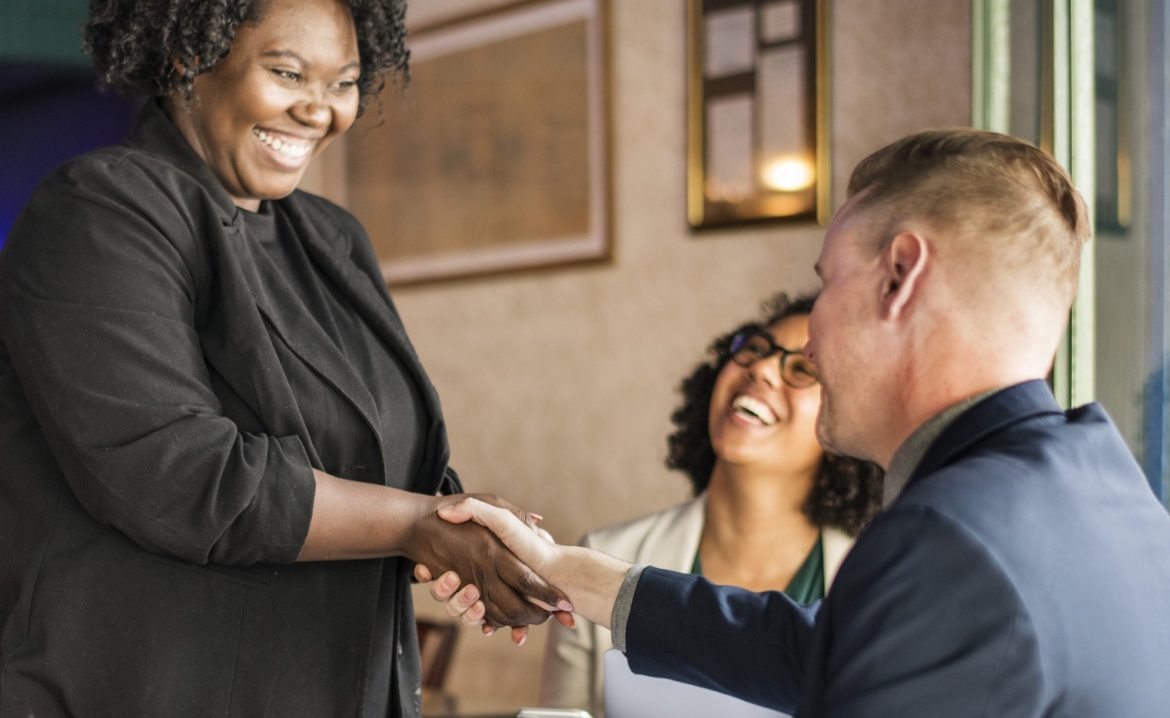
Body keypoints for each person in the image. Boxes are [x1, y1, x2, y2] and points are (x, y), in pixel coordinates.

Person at [422, 128, 1170, 716]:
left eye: (827, 283)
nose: (807, 338)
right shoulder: (1110, 489)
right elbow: (819, 653)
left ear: (900, 275)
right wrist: (563, 572)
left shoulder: (950, 538)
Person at [0, 1, 565, 715]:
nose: (318, 110)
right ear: (188, 59)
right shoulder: (100, 210)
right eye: (288, 73)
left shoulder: (333, 239)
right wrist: (417, 521)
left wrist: (468, 529)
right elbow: (176, 475)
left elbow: (379, 457)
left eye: (344, 82)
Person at [537, 292, 882, 715]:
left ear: (838, 420)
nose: (761, 370)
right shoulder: (599, 557)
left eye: (802, 370)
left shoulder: (877, 582)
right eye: (755, 349)